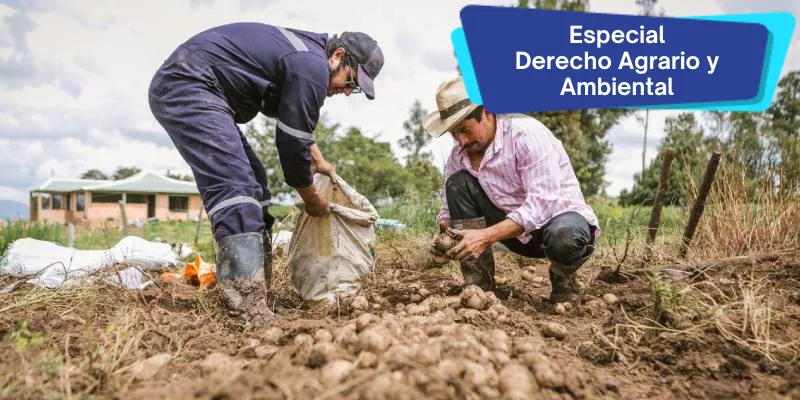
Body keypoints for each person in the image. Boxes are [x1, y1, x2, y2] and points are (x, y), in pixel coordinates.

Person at [148, 23, 384, 310]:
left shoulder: (307, 57)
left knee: (256, 186)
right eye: (351, 82)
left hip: (202, 87)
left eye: (355, 90)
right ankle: (245, 302)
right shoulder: (312, 66)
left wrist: (317, 158)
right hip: (188, 83)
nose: (347, 92)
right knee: (237, 187)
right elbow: (290, 143)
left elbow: (296, 127)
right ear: (337, 56)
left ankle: (259, 293)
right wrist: (311, 198)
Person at [424, 77, 599, 303]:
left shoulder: (527, 136)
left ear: (486, 112)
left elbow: (542, 205)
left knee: (565, 238)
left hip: (556, 225)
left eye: (465, 130)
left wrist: (485, 236)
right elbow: (448, 211)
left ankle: (564, 278)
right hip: (513, 232)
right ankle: (479, 286)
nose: (461, 141)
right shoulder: (459, 156)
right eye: (454, 134)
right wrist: (444, 235)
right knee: (457, 183)